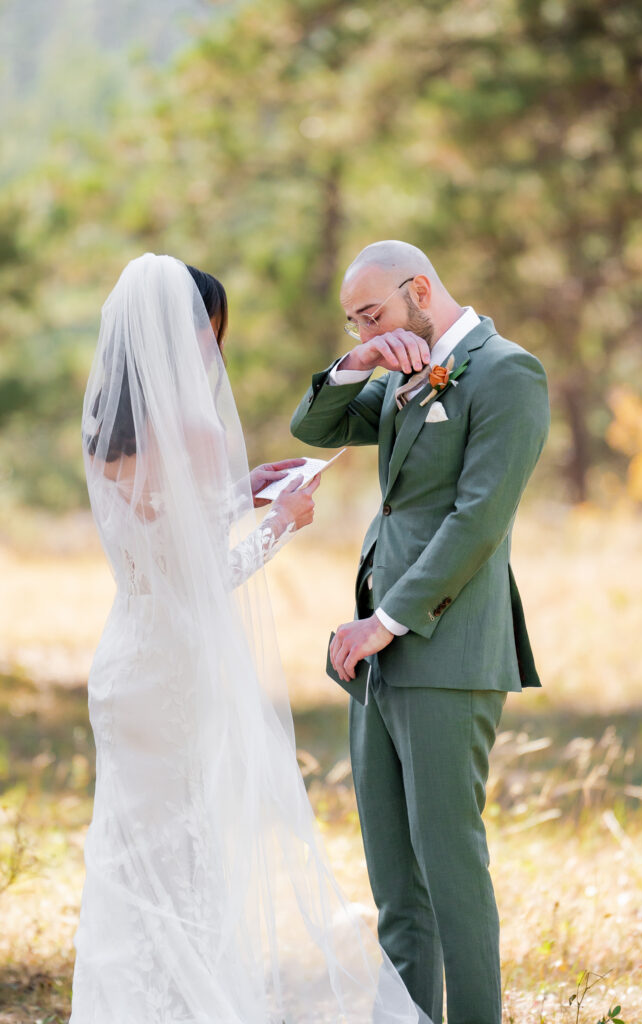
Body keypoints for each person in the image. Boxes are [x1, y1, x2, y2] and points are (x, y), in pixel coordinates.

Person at [71, 253, 429, 1023]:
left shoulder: (104, 421)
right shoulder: (194, 428)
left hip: (123, 662)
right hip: (178, 669)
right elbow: (202, 577)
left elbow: (157, 538)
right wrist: (277, 525)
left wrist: (237, 491)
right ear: (193, 330)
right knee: (192, 856)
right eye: (212, 330)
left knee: (133, 858)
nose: (213, 347)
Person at [291, 240, 551, 1024]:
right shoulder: (403, 374)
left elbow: (478, 519)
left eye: (373, 312)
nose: (365, 327)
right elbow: (316, 426)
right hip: (377, 654)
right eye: (353, 319)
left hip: (444, 649)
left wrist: (386, 620)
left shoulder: (507, 372)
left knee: (448, 868)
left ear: (421, 289)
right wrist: (358, 358)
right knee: (395, 880)